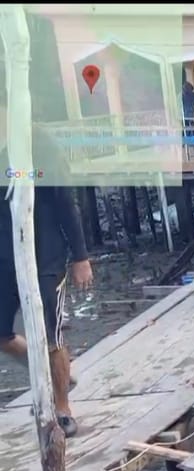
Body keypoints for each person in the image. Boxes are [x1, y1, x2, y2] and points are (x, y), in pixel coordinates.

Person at [0, 74, 93, 437]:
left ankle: (62, 407)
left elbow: (65, 200)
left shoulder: (35, 142)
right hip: (4, 258)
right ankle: (60, 379)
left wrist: (81, 255)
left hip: (46, 256)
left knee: (51, 337)